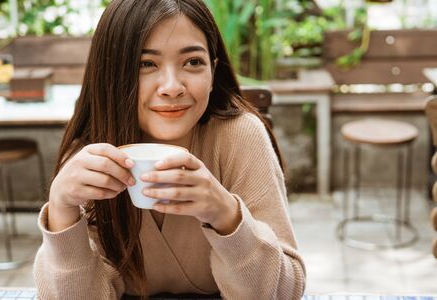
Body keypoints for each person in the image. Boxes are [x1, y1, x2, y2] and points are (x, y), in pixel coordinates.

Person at [33, 0, 306, 299]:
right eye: (145, 64)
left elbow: (284, 293)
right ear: (111, 74)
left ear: (213, 72)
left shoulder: (240, 136)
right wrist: (61, 210)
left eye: (193, 62)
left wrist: (226, 215)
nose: (172, 86)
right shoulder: (91, 153)